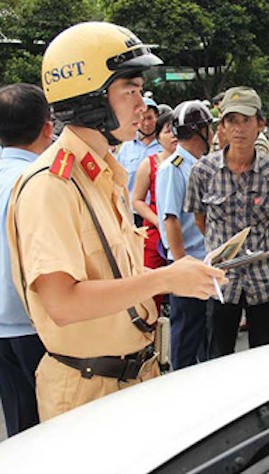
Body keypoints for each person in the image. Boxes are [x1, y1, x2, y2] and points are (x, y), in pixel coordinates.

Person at [6, 22, 227, 421]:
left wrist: (183, 274)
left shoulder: (100, 176)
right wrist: (164, 279)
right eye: (131, 90)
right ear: (90, 97)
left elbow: (115, 273)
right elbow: (62, 303)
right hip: (87, 393)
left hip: (127, 379)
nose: (143, 104)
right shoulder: (51, 185)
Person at [185, 86, 269, 355]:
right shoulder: (203, 171)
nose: (239, 129)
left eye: (246, 120)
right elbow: (201, 220)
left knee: (263, 356)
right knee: (218, 358)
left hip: (263, 278)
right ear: (222, 126)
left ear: (260, 124)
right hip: (221, 281)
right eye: (232, 121)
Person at [0, 84, 50, 436]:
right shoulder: (38, 182)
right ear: (48, 127)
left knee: (21, 429)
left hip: (3, 328)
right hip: (38, 327)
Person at [156, 100, 214, 369]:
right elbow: (170, 220)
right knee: (186, 334)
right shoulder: (174, 167)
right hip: (186, 260)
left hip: (203, 259)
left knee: (204, 331)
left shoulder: (201, 165)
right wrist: (180, 266)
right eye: (208, 128)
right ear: (199, 130)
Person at [132, 111, 177, 313]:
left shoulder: (191, 162)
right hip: (154, 235)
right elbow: (137, 201)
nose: (174, 135)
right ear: (159, 136)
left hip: (182, 235)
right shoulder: (149, 164)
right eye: (168, 131)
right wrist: (157, 220)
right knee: (150, 291)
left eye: (177, 130)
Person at [116, 96, 162, 223]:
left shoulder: (165, 146)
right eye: (142, 119)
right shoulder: (126, 146)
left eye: (150, 118)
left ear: (157, 118)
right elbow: (118, 180)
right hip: (132, 215)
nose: (146, 123)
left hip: (158, 214)